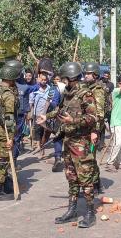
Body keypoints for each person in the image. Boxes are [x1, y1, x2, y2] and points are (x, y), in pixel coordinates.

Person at [37, 62, 98, 228]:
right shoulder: (68, 94)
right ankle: (72, 211)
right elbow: (60, 110)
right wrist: (46, 116)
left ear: (71, 78)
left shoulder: (86, 94)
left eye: (64, 78)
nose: (63, 81)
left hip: (81, 144)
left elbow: (93, 118)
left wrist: (74, 120)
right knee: (71, 178)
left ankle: (90, 212)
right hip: (68, 142)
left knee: (85, 179)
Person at [0, 60, 22, 201]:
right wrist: (11, 138)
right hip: (4, 132)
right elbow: (9, 118)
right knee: (3, 161)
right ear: (12, 78)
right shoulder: (8, 95)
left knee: (3, 160)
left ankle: (3, 186)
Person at [84, 62, 105, 192]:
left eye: (88, 73)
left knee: (90, 157)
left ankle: (93, 184)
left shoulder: (98, 90)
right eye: (85, 73)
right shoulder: (87, 88)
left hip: (93, 129)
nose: (86, 75)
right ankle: (94, 182)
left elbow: (99, 113)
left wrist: (95, 131)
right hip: (85, 127)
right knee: (87, 156)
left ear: (95, 75)